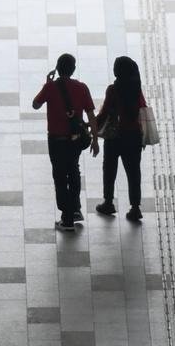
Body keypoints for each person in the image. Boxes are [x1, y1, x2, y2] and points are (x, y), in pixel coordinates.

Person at [32, 53, 98, 231]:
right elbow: (91, 115)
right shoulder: (82, 87)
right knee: (73, 171)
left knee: (60, 176)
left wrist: (47, 84)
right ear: (73, 69)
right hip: (75, 140)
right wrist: (95, 140)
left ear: (57, 68)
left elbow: (35, 104)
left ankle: (67, 218)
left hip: (56, 140)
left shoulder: (50, 87)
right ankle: (75, 209)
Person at [95, 56, 147, 222]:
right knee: (134, 172)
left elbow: (104, 113)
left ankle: (108, 202)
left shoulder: (113, 89)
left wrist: (92, 125)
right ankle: (135, 208)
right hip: (134, 137)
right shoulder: (136, 90)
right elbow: (143, 111)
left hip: (115, 136)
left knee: (109, 169)